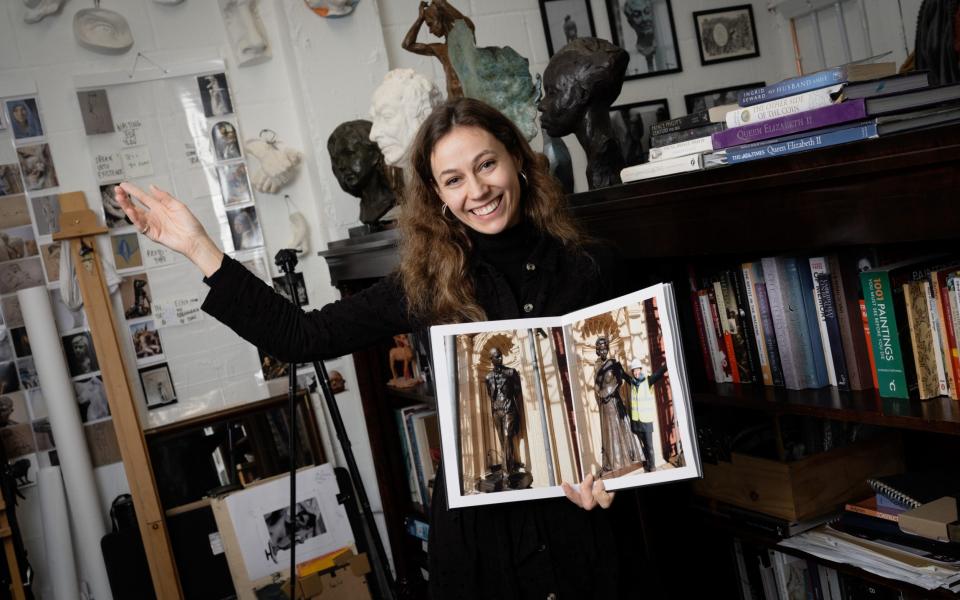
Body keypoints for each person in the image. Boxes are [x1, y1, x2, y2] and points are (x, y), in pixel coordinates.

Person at [115, 97, 630, 599]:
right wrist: (199, 248)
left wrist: (613, 474)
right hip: (480, 540)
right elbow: (302, 336)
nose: (477, 190)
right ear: (438, 195)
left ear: (516, 157)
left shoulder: (590, 266)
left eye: (486, 164)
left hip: (579, 529)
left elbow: (628, 399)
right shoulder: (427, 284)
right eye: (454, 180)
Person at [402, 0, 476, 98]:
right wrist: (420, 19)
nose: (430, 31)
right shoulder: (440, 49)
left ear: (440, 18)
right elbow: (407, 44)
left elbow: (466, 24)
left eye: (430, 24)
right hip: (453, 103)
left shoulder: (465, 42)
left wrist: (442, 3)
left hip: (473, 104)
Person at [593, 336, 642, 475]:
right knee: (608, 431)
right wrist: (600, 392)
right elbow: (596, 384)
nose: (603, 351)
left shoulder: (614, 363)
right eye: (600, 349)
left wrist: (609, 391)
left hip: (614, 400)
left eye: (605, 348)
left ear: (607, 349)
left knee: (619, 428)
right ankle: (611, 462)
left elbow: (620, 380)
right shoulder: (596, 366)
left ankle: (624, 459)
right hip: (604, 404)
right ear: (598, 351)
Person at [483, 347, 522, 480]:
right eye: (497, 356)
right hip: (496, 411)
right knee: (502, 441)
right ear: (491, 359)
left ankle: (506, 473)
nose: (500, 358)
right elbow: (490, 394)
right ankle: (509, 466)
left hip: (508, 409)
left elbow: (517, 392)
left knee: (507, 437)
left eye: (500, 356)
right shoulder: (487, 377)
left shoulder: (511, 372)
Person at [624, 358, 668, 472]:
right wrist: (615, 365)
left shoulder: (648, 381)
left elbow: (658, 374)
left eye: (637, 370)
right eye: (634, 370)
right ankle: (648, 464)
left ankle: (652, 467)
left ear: (640, 369)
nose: (635, 372)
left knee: (649, 446)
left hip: (646, 420)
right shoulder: (632, 382)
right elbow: (624, 375)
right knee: (643, 445)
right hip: (637, 421)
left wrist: (666, 365)